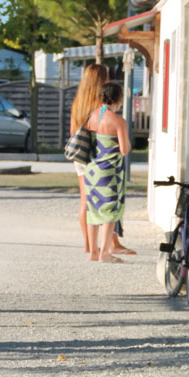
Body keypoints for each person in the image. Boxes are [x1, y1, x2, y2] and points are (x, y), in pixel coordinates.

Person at [69, 64, 134, 256]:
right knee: (107, 199)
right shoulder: (100, 104)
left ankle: (90, 246)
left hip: (82, 156)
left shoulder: (78, 102)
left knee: (86, 201)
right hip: (99, 156)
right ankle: (111, 245)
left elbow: (73, 131)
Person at [85, 82, 130, 262]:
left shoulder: (93, 116)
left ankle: (93, 252)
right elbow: (124, 149)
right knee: (110, 211)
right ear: (118, 98)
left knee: (93, 210)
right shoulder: (118, 121)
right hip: (110, 172)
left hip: (93, 170)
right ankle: (105, 252)